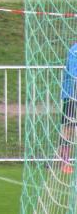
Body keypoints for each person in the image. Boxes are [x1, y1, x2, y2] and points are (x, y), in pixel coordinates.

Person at [60, 42, 77, 174]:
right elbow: (73, 74)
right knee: (68, 128)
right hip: (71, 94)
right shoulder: (74, 51)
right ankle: (65, 162)